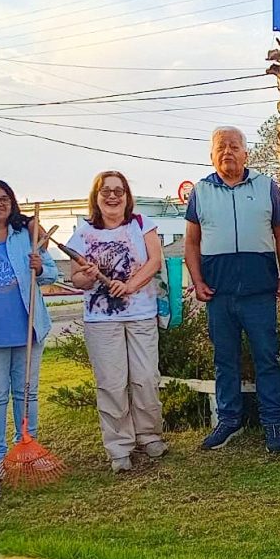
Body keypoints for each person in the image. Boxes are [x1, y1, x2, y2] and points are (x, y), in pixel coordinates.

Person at [185, 127, 280, 453]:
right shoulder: (201, 191)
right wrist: (197, 280)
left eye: (234, 146)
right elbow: (191, 242)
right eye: (221, 147)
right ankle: (229, 421)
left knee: (267, 359)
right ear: (212, 155)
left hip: (259, 292)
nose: (228, 152)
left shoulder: (265, 186)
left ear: (246, 153)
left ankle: (273, 422)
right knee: (225, 361)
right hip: (218, 294)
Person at [68, 171, 167, 472]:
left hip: (140, 314)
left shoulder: (141, 224)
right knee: (111, 383)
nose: (112, 196)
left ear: (127, 195)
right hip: (101, 320)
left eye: (118, 190)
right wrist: (86, 275)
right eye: (105, 191)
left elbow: (154, 262)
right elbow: (77, 279)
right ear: (96, 197)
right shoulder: (82, 232)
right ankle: (119, 447)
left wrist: (130, 285)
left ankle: (150, 436)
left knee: (145, 378)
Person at [0, 180, 59, 468]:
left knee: (26, 392)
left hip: (27, 329)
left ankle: (27, 447)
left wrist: (39, 267)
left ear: (12, 203)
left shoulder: (23, 236)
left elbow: (50, 274)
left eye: (4, 198)